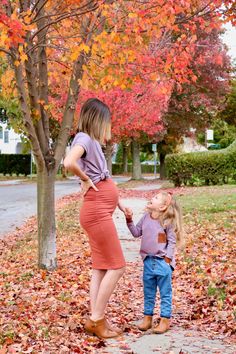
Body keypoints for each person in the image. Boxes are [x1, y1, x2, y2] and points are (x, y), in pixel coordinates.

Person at [64, 98, 126, 339]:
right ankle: (96, 319)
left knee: (100, 267)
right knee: (118, 266)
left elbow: (102, 177)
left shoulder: (91, 142)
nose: (107, 127)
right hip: (97, 213)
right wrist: (84, 178)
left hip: (100, 210)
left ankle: (96, 319)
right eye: (106, 121)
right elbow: (69, 162)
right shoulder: (84, 138)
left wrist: (119, 203)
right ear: (97, 119)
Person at [124, 191, 184, 334]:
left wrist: (167, 260)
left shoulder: (167, 222)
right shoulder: (145, 217)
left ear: (163, 207)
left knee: (165, 293)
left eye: (156, 198)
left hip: (162, 263)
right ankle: (147, 318)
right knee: (148, 292)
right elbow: (136, 233)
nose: (152, 198)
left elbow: (171, 242)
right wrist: (129, 219)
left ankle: (164, 320)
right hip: (148, 262)